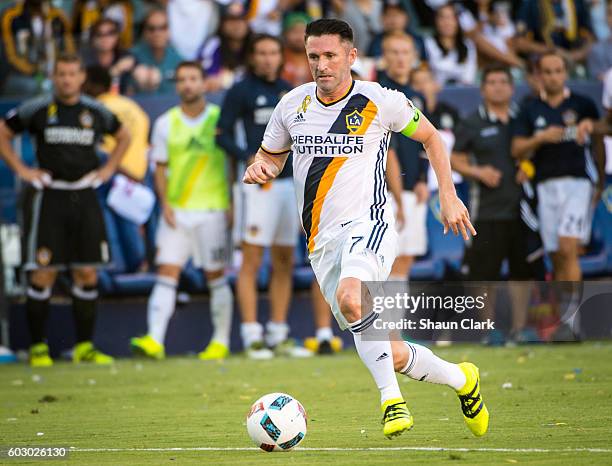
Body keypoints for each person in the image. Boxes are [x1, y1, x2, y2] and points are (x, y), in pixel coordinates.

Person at [243, 18, 488, 439]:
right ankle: (463, 380)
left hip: (370, 223)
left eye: (330, 55)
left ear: (351, 56)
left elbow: (432, 139)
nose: (321, 65)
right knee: (388, 349)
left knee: (352, 297)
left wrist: (448, 196)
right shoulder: (291, 105)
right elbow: (273, 156)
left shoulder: (379, 100)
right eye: (313, 56)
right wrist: (262, 167)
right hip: (321, 242)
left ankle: (392, 403)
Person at [0, 53, 130, 367]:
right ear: (53, 76)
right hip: (50, 196)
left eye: (72, 73)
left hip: (85, 195)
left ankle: (84, 345)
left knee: (87, 271)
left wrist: (109, 169)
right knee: (43, 271)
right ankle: (37, 347)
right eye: (61, 74)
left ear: (81, 77)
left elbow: (124, 135)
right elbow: (4, 132)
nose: (67, 79)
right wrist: (23, 170)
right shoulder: (38, 108)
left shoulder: (95, 110)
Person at [130, 61, 233, 360]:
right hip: (177, 211)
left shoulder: (219, 120)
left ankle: (221, 341)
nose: (188, 84)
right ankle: (154, 340)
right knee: (166, 272)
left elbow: (230, 165)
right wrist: (165, 205)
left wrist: (231, 205)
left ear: (204, 84)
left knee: (216, 276)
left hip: (213, 209)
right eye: (183, 79)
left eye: (193, 79)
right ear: (177, 85)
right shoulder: (165, 123)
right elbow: (159, 169)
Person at [217, 34, 308, 359]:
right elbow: (221, 134)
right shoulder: (240, 91)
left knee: (285, 259)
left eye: (273, 52)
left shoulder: (292, 91)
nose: (268, 58)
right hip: (257, 186)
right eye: (262, 53)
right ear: (252, 57)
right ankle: (252, 334)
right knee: (252, 259)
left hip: (288, 185)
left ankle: (279, 333)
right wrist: (247, 156)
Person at [451, 65, 534, 343]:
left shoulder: (523, 119)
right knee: (484, 274)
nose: (498, 87)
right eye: (492, 82)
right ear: (483, 88)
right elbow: (455, 159)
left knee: (522, 272)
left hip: (523, 209)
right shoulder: (472, 122)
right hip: (485, 209)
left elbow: (536, 150)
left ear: (512, 88)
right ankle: (489, 330)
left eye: (503, 82)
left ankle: (520, 329)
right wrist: (479, 173)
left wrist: (529, 167)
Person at [511, 52, 600, 282]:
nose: (553, 77)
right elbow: (516, 148)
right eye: (547, 72)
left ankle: (574, 317)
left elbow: (600, 139)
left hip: (577, 183)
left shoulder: (583, 105)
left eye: (558, 71)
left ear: (566, 73)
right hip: (544, 185)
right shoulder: (529, 109)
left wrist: (599, 179)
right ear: (539, 75)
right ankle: (566, 310)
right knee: (556, 254)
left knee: (568, 246)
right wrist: (539, 138)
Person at [84, 65, 150, 272]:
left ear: (93, 85)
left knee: (109, 224)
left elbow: (102, 151)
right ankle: (138, 265)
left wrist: (121, 171)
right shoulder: (132, 107)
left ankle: (114, 268)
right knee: (131, 220)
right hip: (139, 174)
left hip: (114, 174)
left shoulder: (95, 110)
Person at [377, 32, 429, 284]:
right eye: (394, 52)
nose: (400, 58)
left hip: (411, 189)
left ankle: (393, 325)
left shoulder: (416, 96)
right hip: (384, 192)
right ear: (384, 57)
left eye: (405, 52)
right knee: (384, 260)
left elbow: (425, 143)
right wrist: (397, 198)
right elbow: (388, 152)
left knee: (406, 258)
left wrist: (422, 179)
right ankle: (378, 324)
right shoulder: (378, 94)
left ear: (414, 57)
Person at [0, 0, 75, 96]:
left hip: (54, 74)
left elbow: (70, 52)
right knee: (31, 86)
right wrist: (34, 70)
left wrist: (58, 72)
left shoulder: (58, 17)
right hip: (20, 75)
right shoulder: (11, 16)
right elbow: (9, 56)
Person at [130, 8, 183, 94]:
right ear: (145, 32)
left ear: (169, 30)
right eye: (152, 28)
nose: (157, 33)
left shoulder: (179, 61)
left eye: (163, 28)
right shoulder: (131, 57)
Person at [423, 3, 478, 85]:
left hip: (463, 91)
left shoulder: (467, 45)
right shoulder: (427, 42)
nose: (447, 22)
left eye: (451, 18)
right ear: (436, 21)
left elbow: (470, 74)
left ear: (457, 21)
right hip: (436, 91)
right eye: (443, 18)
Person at [81, 18, 135, 95]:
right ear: (92, 38)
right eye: (99, 34)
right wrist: (115, 70)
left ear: (117, 36)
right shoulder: (85, 58)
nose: (105, 38)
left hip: (121, 101)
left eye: (110, 33)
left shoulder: (124, 55)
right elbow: (93, 86)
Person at [281, 12, 313, 88]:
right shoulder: (277, 56)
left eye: (303, 31)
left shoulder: (318, 57)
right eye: (294, 31)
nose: (299, 37)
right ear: (284, 33)